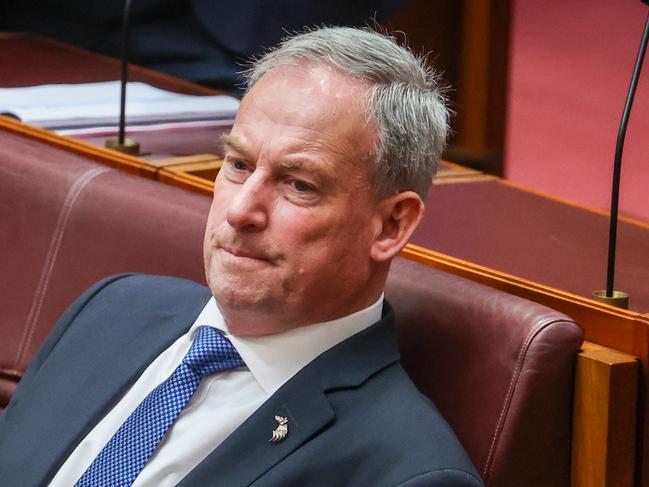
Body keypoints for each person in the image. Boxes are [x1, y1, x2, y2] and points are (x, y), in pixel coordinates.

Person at [0, 27, 483, 486]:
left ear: (391, 225)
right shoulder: (112, 309)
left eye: (299, 184)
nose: (240, 210)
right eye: (238, 164)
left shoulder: (405, 472)